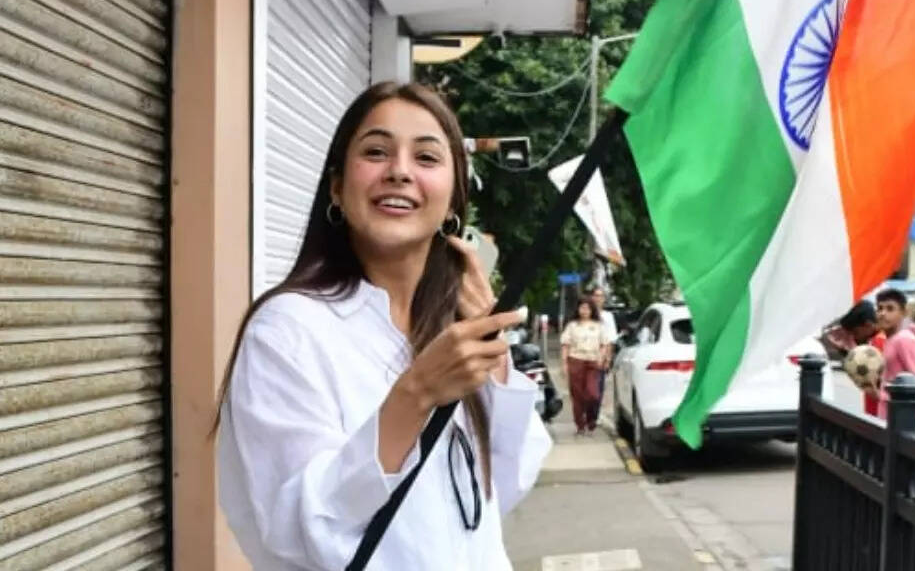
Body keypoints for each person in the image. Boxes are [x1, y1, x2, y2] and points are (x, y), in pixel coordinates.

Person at [215, 83, 551, 570]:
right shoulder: (287, 330)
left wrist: (493, 358)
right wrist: (414, 395)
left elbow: (503, 487)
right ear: (336, 186)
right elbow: (294, 528)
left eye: (427, 158)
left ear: (454, 201)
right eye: (376, 151)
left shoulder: (451, 330)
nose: (399, 171)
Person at [876, 289, 915, 426]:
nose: (883, 313)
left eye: (890, 309)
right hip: (888, 414)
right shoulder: (890, 339)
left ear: (903, 313)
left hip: (902, 419)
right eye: (879, 308)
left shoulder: (904, 340)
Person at [560, 298, 610, 435]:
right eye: (582, 308)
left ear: (592, 310)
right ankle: (580, 424)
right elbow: (565, 345)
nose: (584, 311)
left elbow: (605, 344)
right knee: (577, 396)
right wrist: (564, 364)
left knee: (593, 394)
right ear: (578, 309)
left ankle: (591, 419)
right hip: (576, 361)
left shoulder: (599, 325)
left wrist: (603, 357)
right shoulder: (572, 326)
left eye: (587, 308)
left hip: (593, 362)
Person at [831, 300, 886, 415]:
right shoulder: (877, 339)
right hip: (877, 409)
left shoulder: (879, 342)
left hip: (880, 411)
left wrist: (845, 351)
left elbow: (862, 373)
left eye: (856, 332)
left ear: (867, 325)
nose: (854, 337)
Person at [588, 286, 618, 427]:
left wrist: (608, 358)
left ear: (603, 299)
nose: (598, 298)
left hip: (601, 357)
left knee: (598, 388)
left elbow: (611, 339)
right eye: (595, 295)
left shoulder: (608, 317)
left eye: (600, 296)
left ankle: (595, 414)